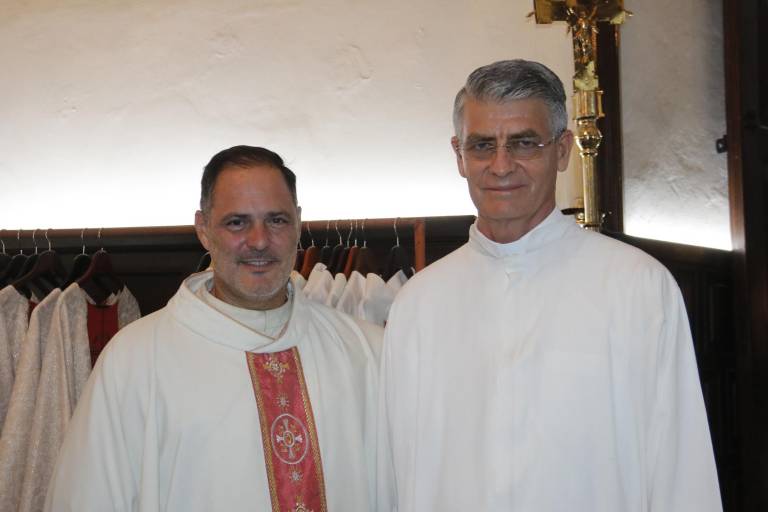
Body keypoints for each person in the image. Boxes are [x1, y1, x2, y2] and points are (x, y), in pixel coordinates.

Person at [377, 60, 722, 511]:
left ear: (562, 150)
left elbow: (681, 469)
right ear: (459, 156)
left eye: (524, 143)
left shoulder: (638, 288)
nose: (501, 166)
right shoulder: (419, 304)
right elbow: (393, 474)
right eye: (482, 145)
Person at [45, 146, 383, 511]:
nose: (259, 240)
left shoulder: (363, 353)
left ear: (298, 223)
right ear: (203, 229)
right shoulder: (135, 361)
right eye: (237, 222)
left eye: (277, 220)